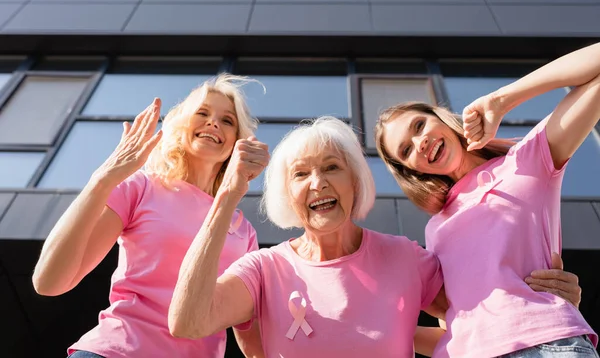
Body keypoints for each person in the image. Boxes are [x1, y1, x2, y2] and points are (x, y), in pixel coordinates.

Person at [168, 116, 582, 357]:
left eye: (332, 167)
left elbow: (473, 325)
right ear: (285, 194)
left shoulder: (406, 258)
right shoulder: (264, 268)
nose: (318, 183)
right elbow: (188, 322)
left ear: (354, 182)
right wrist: (227, 196)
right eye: (300, 174)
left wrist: (544, 301)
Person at [375, 42, 600, 357]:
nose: (420, 141)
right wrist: (374, 328)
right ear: (411, 170)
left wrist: (501, 99)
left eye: (419, 125)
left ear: (440, 118)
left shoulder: (528, 160)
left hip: (547, 343)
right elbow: (454, 326)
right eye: (406, 150)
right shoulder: (435, 230)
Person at [32, 75, 264, 358]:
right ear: (181, 125)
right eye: (202, 113)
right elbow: (49, 282)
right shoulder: (141, 186)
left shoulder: (244, 232)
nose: (213, 122)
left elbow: (250, 337)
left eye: (227, 120)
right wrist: (102, 180)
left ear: (238, 142)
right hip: (113, 351)